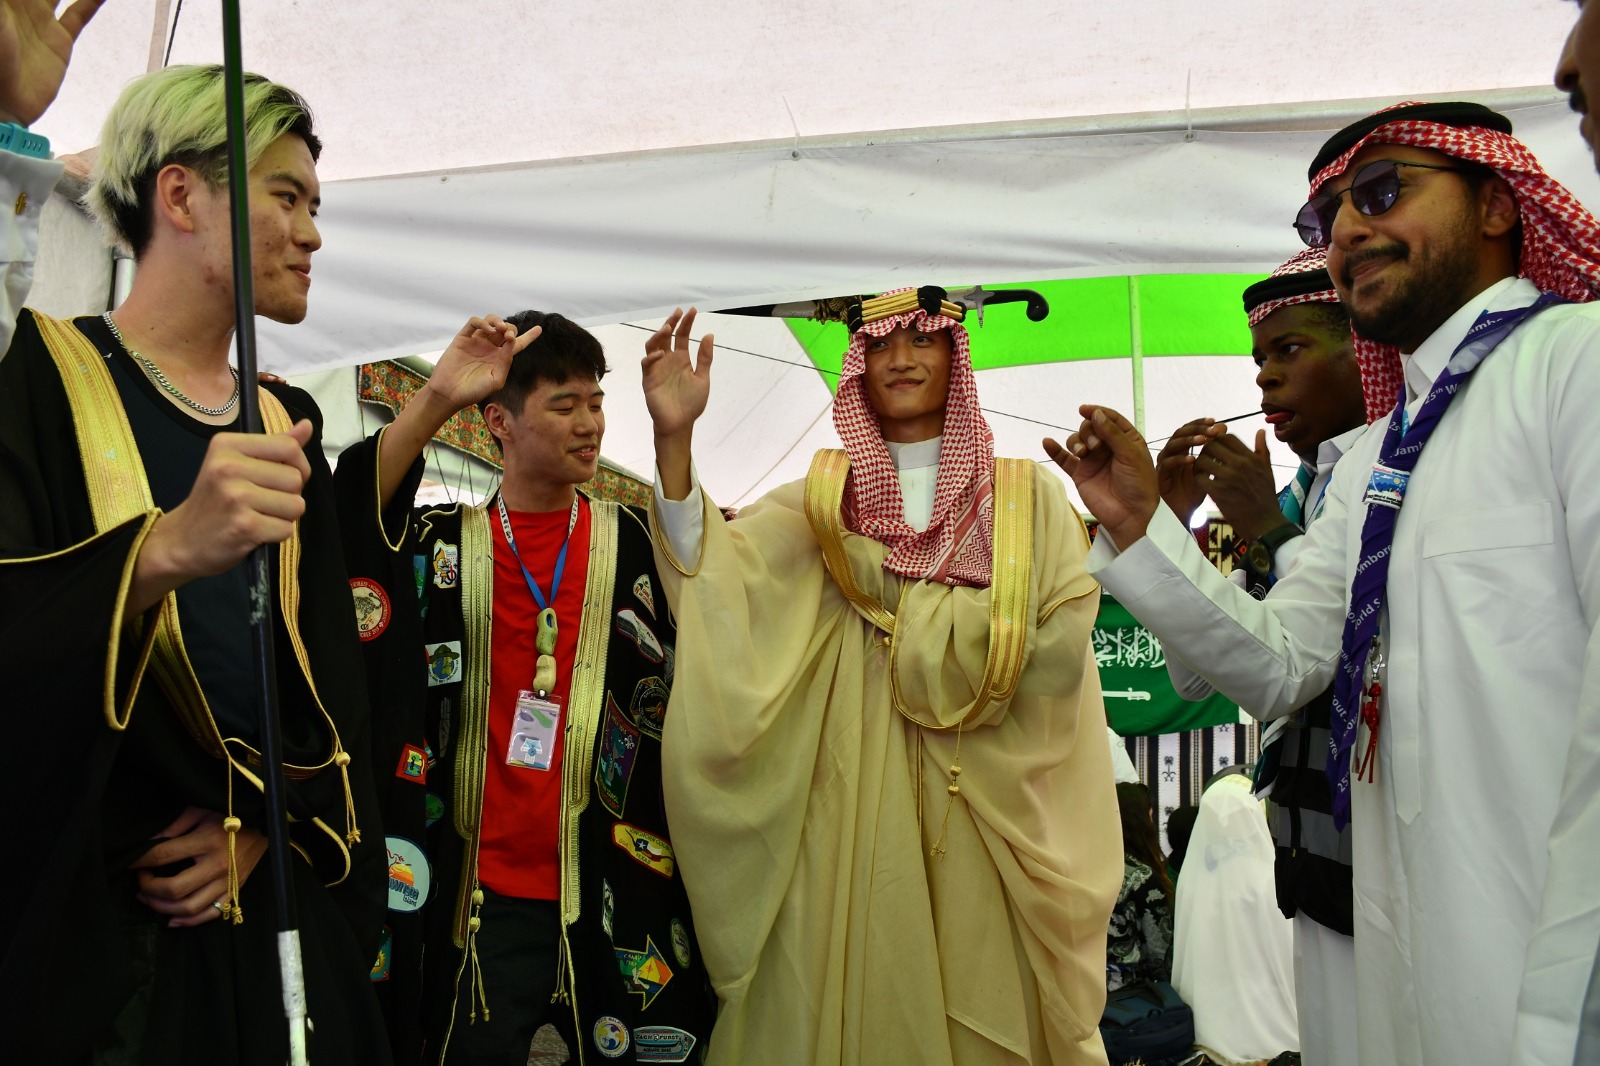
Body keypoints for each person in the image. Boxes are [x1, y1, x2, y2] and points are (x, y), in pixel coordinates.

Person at [1047, 100, 1600, 1066]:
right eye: (1326, 217)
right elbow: (1280, 664)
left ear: (1500, 205)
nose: (1348, 229)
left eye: (1384, 190)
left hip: (1545, 948)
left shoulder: (1575, 364)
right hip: (1395, 934)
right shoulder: (1387, 454)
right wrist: (1141, 526)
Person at [0, 61, 400, 1065]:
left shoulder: (284, 423)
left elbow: (327, 701)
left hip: (276, 936)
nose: (312, 233)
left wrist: (268, 823)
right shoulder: (39, 381)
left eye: (317, 205)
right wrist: (159, 553)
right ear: (180, 194)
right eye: (285, 196)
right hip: (115, 960)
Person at [644, 296, 1121, 1066]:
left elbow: (1061, 648)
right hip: (846, 807)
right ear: (857, 359)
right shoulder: (824, 499)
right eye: (880, 340)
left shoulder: (1026, 498)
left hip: (986, 807)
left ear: (955, 353)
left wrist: (910, 627)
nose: (900, 357)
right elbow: (720, 579)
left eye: (921, 337)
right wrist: (674, 441)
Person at [338, 309, 717, 1065]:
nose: (591, 424)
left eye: (596, 402)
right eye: (564, 404)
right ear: (498, 423)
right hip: (475, 902)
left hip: (617, 886)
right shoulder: (439, 545)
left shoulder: (632, 541)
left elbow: (706, 573)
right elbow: (353, 517)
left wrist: (673, 437)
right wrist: (437, 396)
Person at [1154, 247, 1365, 1066]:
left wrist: (1266, 532)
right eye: (1258, 360)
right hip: (1309, 858)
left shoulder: (1403, 475)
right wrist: (1169, 523)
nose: (1264, 384)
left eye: (1291, 350)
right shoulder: (1288, 499)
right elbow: (1198, 673)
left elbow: (1332, 655)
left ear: (1367, 349)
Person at [1169, 771, 1298, 1063]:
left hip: (1207, 1012)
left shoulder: (1192, 879)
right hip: (1267, 1005)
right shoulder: (1266, 877)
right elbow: (1285, 951)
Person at [1107, 783, 1173, 993]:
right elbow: (1159, 953)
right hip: (1125, 993)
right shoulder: (1143, 877)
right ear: (1142, 822)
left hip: (1079, 987)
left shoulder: (1082, 867)